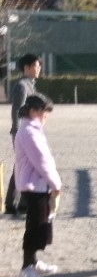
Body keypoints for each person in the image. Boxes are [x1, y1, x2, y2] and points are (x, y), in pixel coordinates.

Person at [14, 94, 61, 277]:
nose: (46, 116)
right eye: (45, 112)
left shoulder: (31, 129)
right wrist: (56, 184)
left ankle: (33, 262)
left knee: (40, 223)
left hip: (37, 185)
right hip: (34, 186)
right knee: (35, 226)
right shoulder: (29, 132)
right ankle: (26, 267)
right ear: (34, 111)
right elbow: (42, 162)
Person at [5, 53, 42, 215]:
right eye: (36, 66)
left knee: (22, 166)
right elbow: (17, 111)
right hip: (22, 133)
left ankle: (15, 203)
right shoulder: (22, 86)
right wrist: (20, 133)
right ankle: (19, 203)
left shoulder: (30, 84)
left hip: (28, 132)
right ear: (27, 68)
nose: (39, 69)